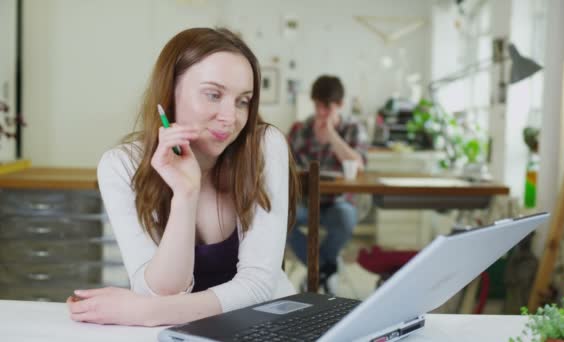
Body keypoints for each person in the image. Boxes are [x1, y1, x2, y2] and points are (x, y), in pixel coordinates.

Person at [66, 27, 299, 326]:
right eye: (213, 95)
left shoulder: (264, 146)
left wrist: (143, 312)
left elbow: (259, 288)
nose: (231, 117)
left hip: (265, 326)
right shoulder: (121, 166)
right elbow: (162, 292)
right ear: (169, 93)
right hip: (179, 333)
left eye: (243, 100)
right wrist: (185, 194)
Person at [287, 75, 369, 294]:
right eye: (317, 106)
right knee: (281, 219)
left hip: (339, 203)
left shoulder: (353, 128)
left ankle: (316, 274)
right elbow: (283, 162)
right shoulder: (302, 129)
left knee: (345, 217)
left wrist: (332, 136)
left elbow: (358, 165)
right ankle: (325, 269)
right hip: (305, 202)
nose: (321, 113)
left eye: (327, 107)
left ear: (340, 105)